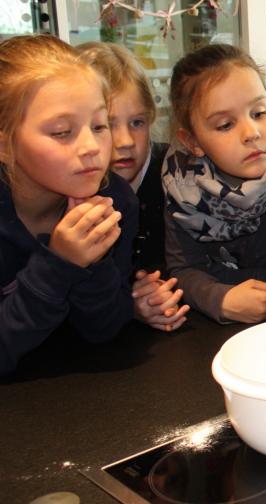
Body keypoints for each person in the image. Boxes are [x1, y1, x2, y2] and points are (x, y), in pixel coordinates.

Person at [0, 35, 137, 375]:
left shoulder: (115, 201)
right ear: (4, 146)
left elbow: (103, 330)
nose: (92, 146)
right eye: (62, 132)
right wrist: (59, 264)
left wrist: (94, 258)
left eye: (98, 125)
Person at [163, 44, 266, 324]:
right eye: (225, 125)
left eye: (258, 113)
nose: (251, 133)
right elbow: (181, 269)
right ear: (192, 142)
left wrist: (207, 283)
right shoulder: (180, 185)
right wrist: (220, 298)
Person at [77, 42, 189, 332]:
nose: (126, 141)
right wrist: (132, 302)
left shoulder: (180, 173)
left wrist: (160, 292)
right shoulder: (69, 191)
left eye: (137, 122)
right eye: (107, 125)